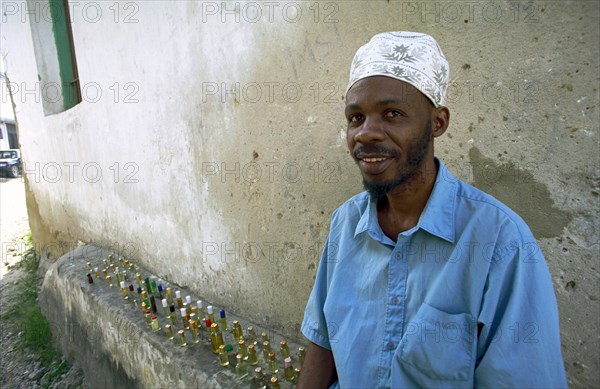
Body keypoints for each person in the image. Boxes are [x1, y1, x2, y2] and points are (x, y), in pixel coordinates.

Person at [298, 31, 567, 388]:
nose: (366, 133)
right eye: (356, 118)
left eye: (392, 114)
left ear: (438, 122)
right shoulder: (345, 224)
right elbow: (323, 343)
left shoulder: (500, 241)